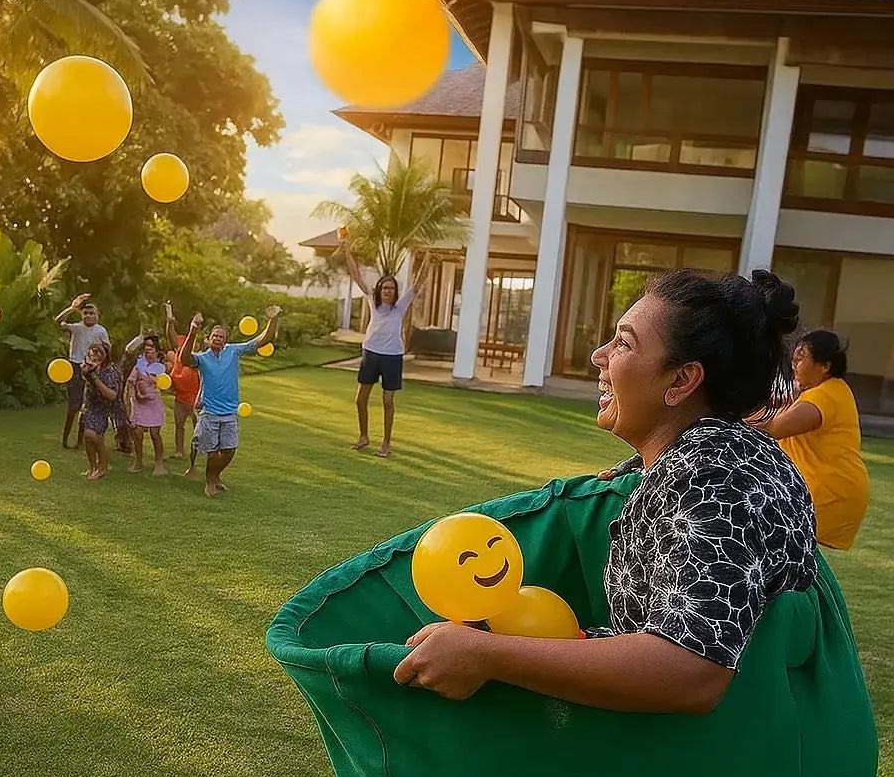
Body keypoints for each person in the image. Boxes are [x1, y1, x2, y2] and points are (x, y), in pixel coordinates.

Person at [393, 268, 818, 716]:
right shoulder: (716, 455)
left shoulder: (717, 482)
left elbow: (691, 671)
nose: (599, 356)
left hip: (718, 758)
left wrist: (487, 655)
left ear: (680, 382)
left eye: (624, 343)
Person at [751, 330, 869, 550]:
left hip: (827, 494)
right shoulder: (830, 391)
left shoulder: (823, 397)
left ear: (825, 366)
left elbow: (772, 427)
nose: (794, 364)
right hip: (826, 491)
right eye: (794, 358)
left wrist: (724, 414)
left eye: (801, 358)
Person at [178, 306, 281, 497]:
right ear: (208, 340)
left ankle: (215, 475)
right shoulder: (202, 359)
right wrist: (193, 331)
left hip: (230, 413)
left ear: (226, 341)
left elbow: (262, 340)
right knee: (212, 451)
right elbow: (184, 359)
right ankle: (210, 481)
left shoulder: (233, 351)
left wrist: (272, 320)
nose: (217, 338)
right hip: (209, 413)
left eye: (221, 336)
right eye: (214, 335)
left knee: (229, 450)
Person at [344, 246, 431, 458]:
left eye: (391, 288)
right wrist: (346, 249)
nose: (387, 291)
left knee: (388, 401)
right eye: (384, 288)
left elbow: (419, 283)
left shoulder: (400, 307)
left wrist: (427, 256)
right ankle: (364, 437)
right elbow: (355, 274)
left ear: (395, 292)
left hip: (392, 357)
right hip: (371, 353)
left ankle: (386, 443)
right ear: (379, 290)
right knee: (360, 399)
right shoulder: (372, 303)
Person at [54, 294, 110, 449]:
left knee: (86, 407)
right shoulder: (77, 327)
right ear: (82, 315)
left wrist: (98, 364)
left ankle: (80, 441)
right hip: (75, 368)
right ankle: (65, 439)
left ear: (97, 316)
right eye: (85, 313)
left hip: (92, 370)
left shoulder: (101, 331)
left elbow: (107, 350)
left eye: (92, 313)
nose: (88, 316)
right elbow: (58, 322)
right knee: (73, 406)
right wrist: (72, 308)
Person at [126, 334, 169, 477]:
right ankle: (138, 461)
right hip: (139, 402)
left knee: (155, 434)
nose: (147, 349)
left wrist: (155, 380)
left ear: (157, 350)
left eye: (151, 347)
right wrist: (134, 395)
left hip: (153, 403)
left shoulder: (161, 367)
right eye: (146, 346)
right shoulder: (139, 364)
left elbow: (165, 384)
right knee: (137, 432)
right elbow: (131, 381)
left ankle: (159, 464)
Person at [79, 340, 120, 481]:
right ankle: (92, 467)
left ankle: (102, 467)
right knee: (88, 437)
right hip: (89, 406)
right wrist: (88, 372)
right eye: (92, 351)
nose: (94, 354)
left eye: (98, 352)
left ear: (106, 356)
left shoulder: (111, 371)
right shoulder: (87, 366)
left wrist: (94, 378)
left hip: (102, 408)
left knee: (93, 435)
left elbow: (112, 395)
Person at [165, 301, 201, 459]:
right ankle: (179, 451)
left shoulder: (200, 346)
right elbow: (170, 335)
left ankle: (199, 450)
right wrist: (169, 320)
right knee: (179, 425)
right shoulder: (182, 341)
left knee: (198, 426)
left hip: (195, 396)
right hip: (180, 394)